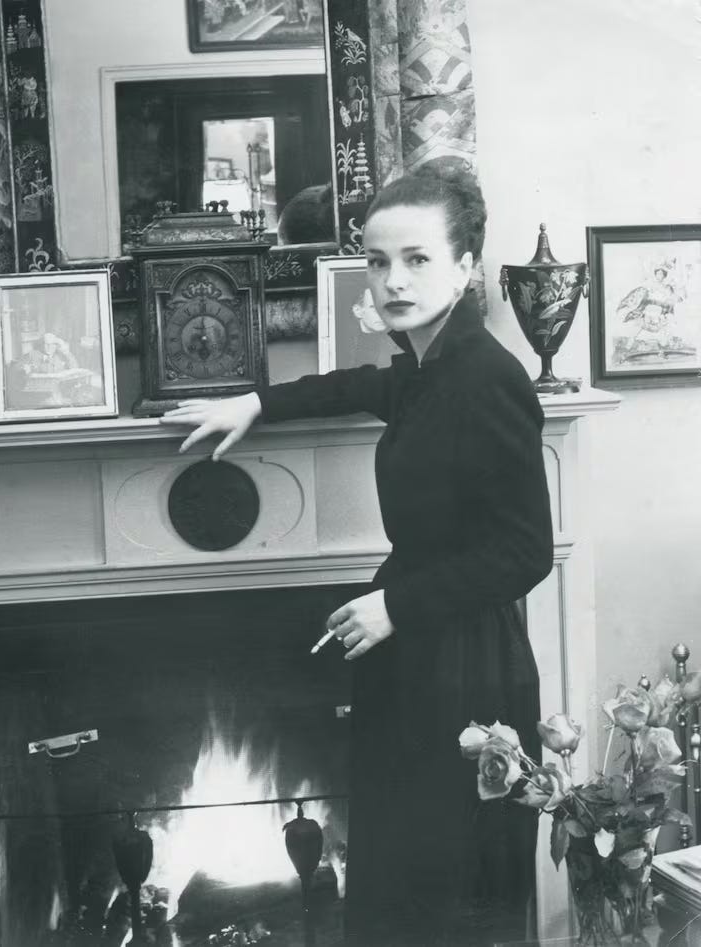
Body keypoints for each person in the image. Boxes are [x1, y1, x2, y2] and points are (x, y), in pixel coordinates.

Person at [160, 161, 553, 946]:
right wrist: (257, 401)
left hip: (466, 672)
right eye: (378, 261)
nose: (393, 280)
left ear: (465, 267)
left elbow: (527, 550)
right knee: (400, 888)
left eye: (417, 259)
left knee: (445, 899)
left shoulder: (488, 378)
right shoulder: (428, 366)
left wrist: (393, 607)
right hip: (418, 658)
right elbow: (360, 386)